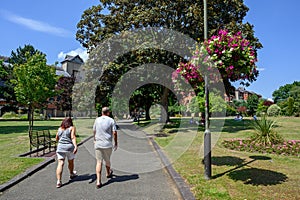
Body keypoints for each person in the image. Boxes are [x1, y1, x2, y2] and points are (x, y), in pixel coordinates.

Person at [93, 107, 118, 189]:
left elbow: (94, 130)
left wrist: (94, 139)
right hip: (107, 144)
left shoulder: (97, 120)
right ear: (108, 112)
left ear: (102, 112)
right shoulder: (111, 120)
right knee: (107, 160)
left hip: (98, 143)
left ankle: (98, 181)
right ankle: (108, 173)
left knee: (99, 162)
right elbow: (114, 132)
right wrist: (116, 142)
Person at [55, 117, 78, 188]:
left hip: (60, 147)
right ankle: (71, 173)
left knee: (60, 163)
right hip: (69, 147)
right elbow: (73, 137)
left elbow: (56, 138)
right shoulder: (72, 128)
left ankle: (59, 181)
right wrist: (75, 146)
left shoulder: (59, 129)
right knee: (70, 162)